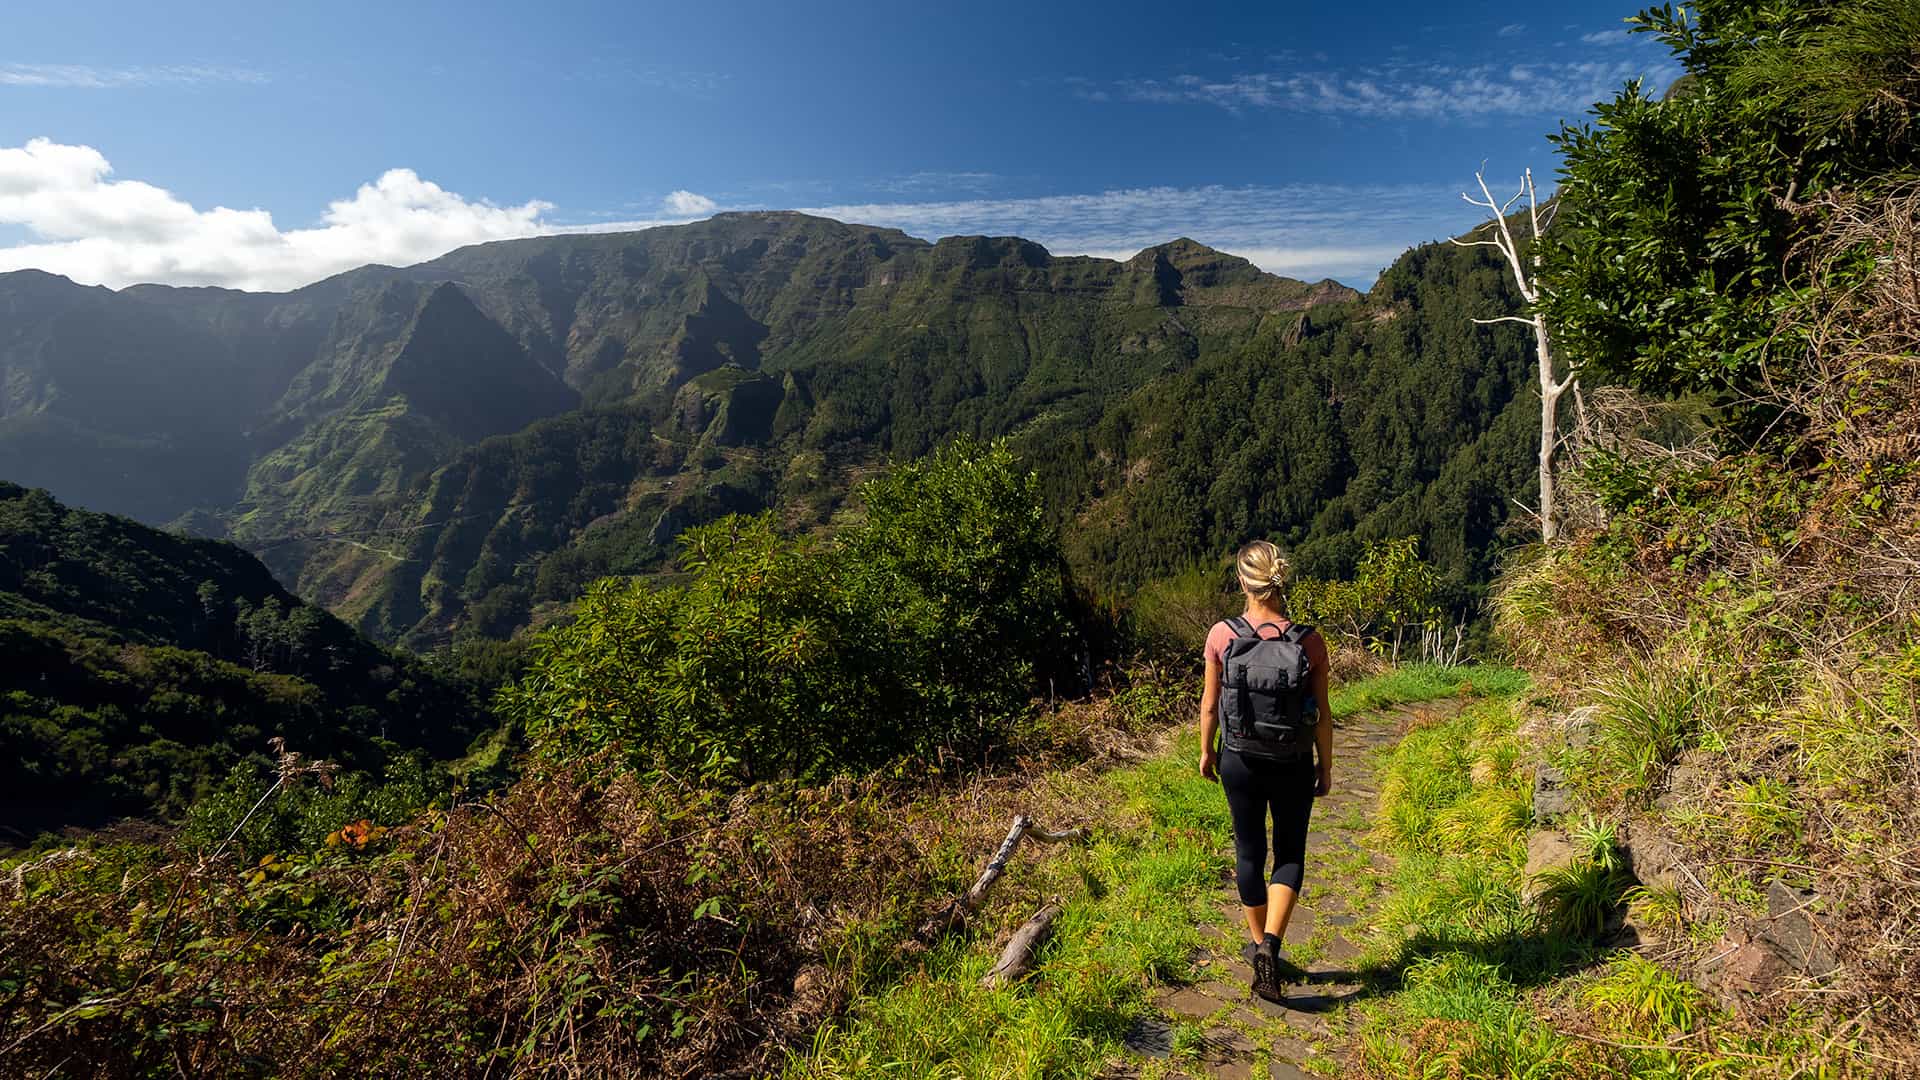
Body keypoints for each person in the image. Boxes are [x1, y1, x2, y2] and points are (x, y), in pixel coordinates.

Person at [1197, 541, 1333, 1005]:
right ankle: (1271, 946)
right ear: (1280, 581)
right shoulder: (1308, 641)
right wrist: (1326, 765)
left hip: (1239, 759)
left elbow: (1211, 705)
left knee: (1249, 850)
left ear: (1242, 582)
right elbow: (1324, 714)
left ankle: (1260, 947)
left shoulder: (1222, 635)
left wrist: (1206, 753)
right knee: (1290, 851)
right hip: (1292, 762)